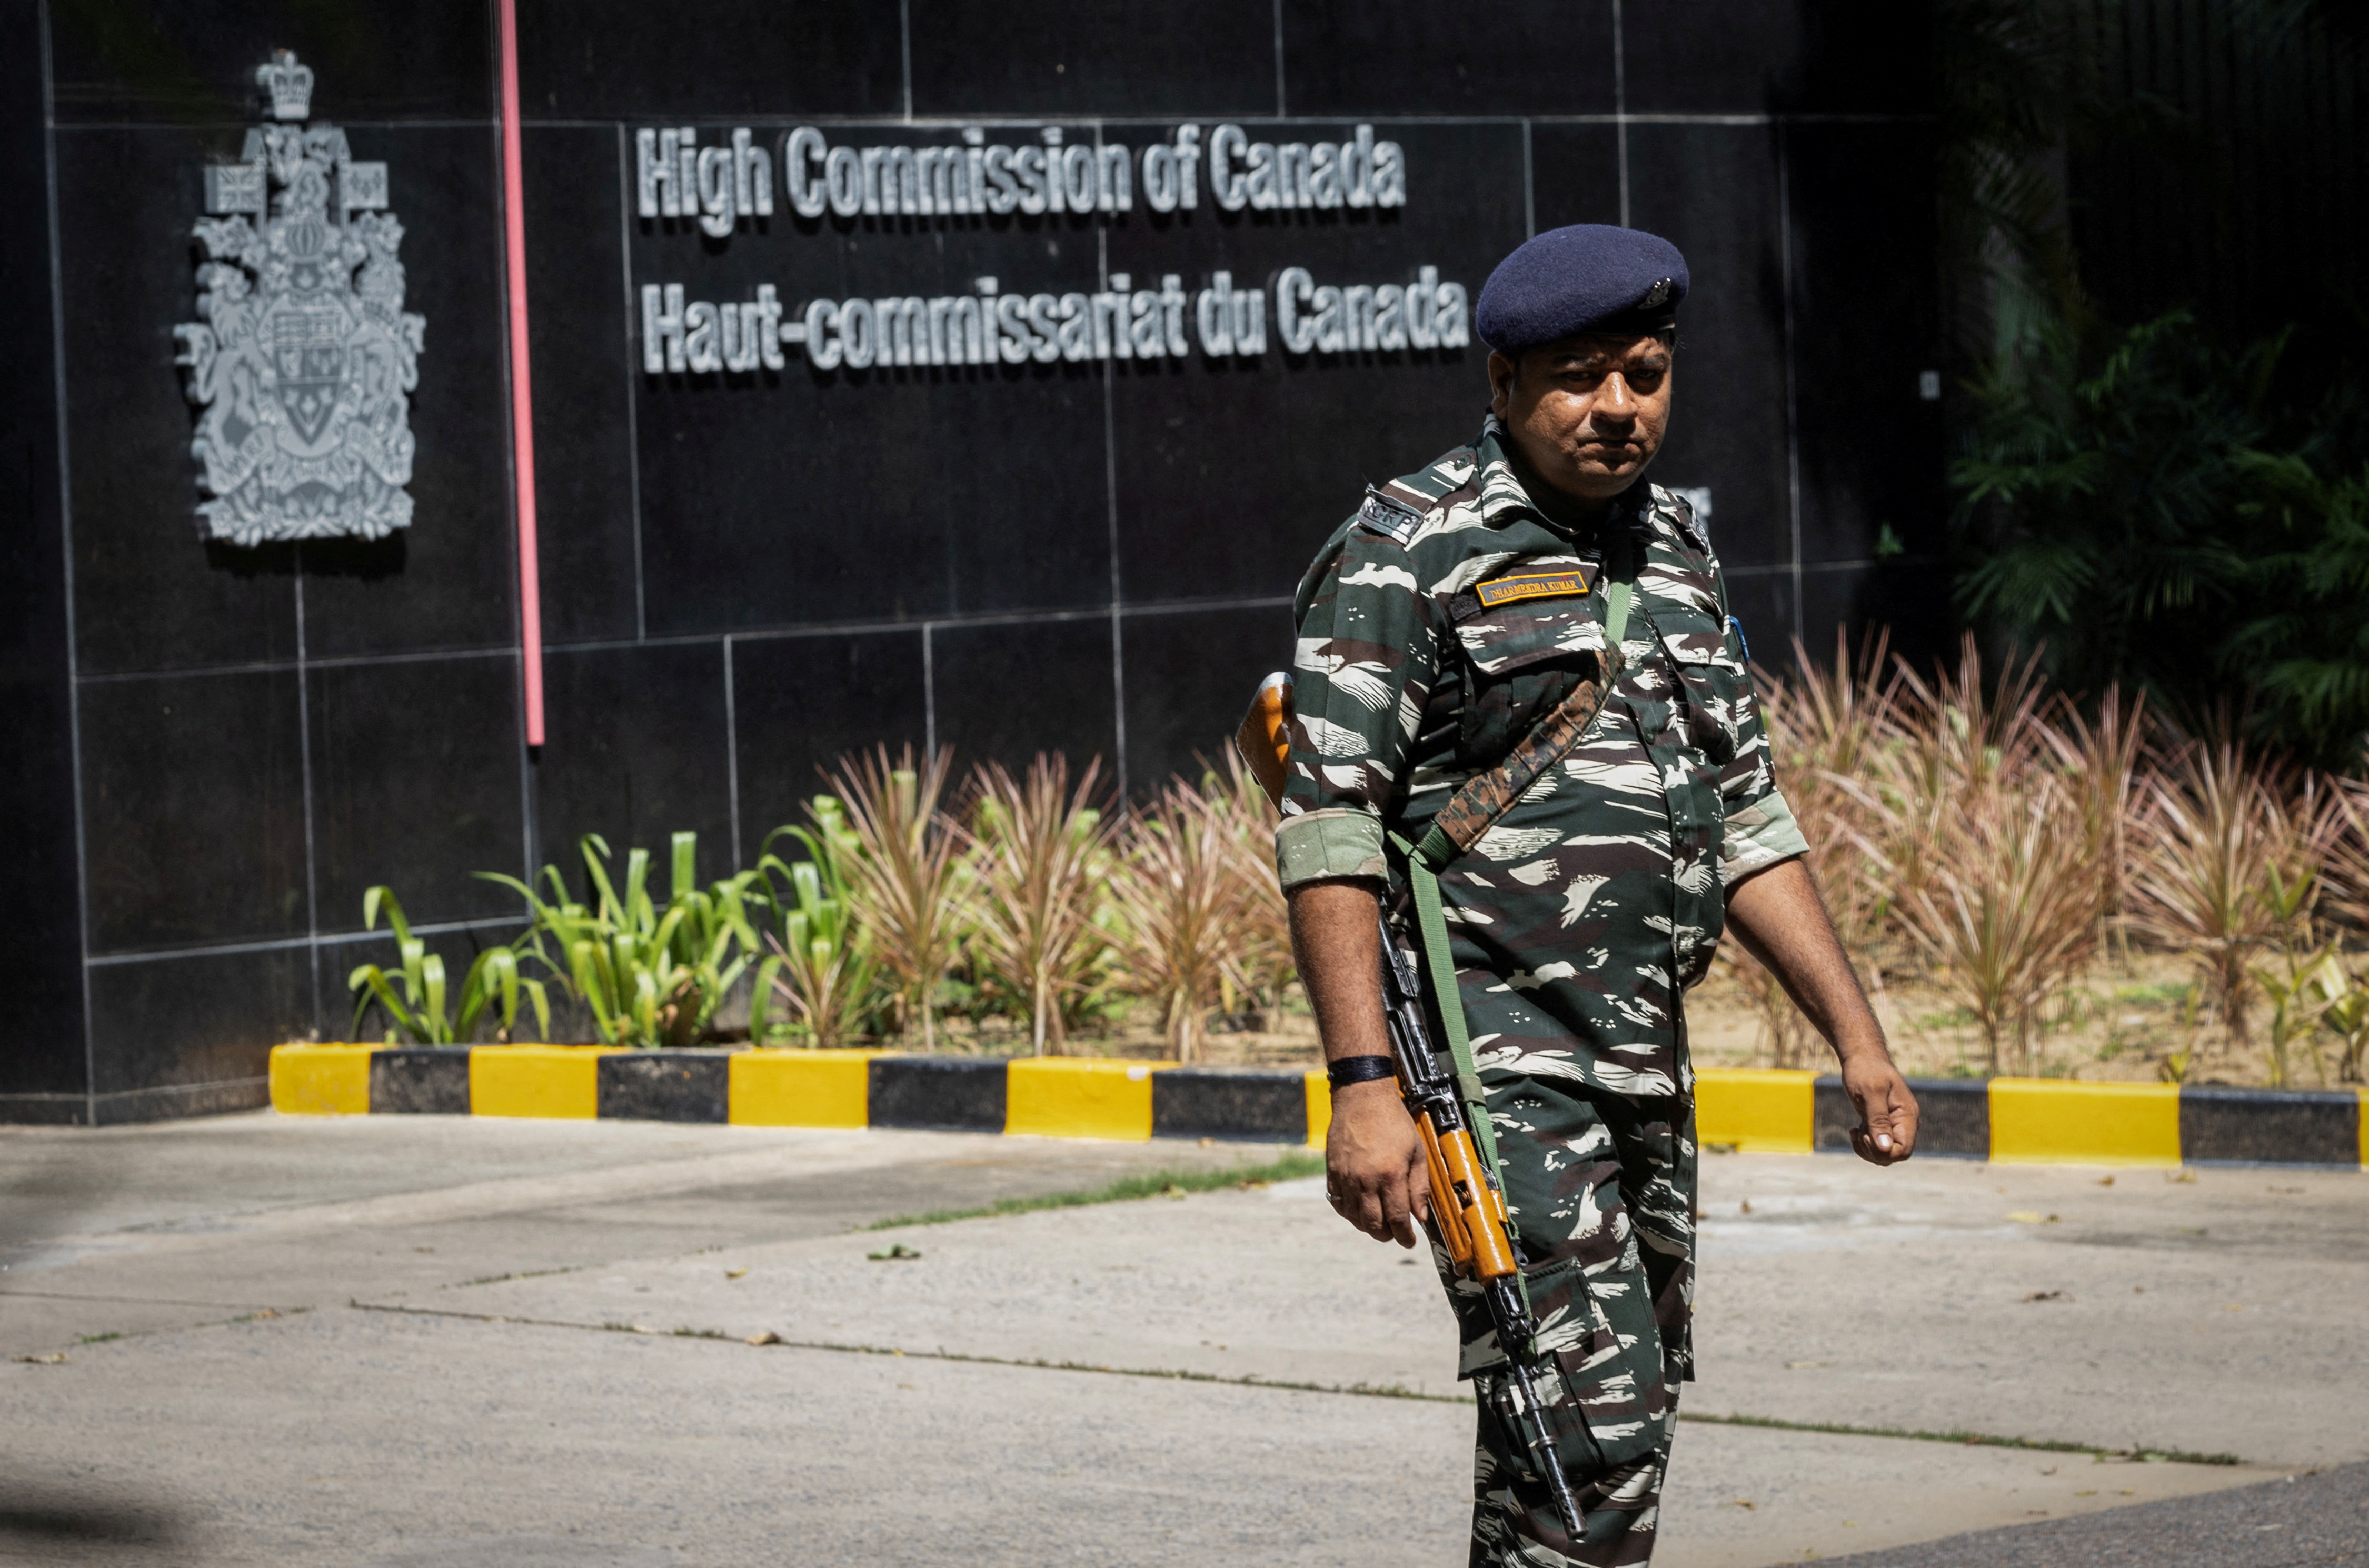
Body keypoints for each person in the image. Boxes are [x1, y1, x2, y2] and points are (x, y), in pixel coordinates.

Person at [1275, 224, 1921, 1567]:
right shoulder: (1411, 549)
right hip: (1493, 1064)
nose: (1620, 407)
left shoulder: (1675, 549)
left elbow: (1748, 816)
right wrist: (1361, 1083)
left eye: (1646, 372)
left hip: (1639, 1058)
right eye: (1583, 376)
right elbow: (1330, 827)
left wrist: (1856, 1040)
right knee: (1591, 1433)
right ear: (1504, 378)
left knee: (1582, 1444)